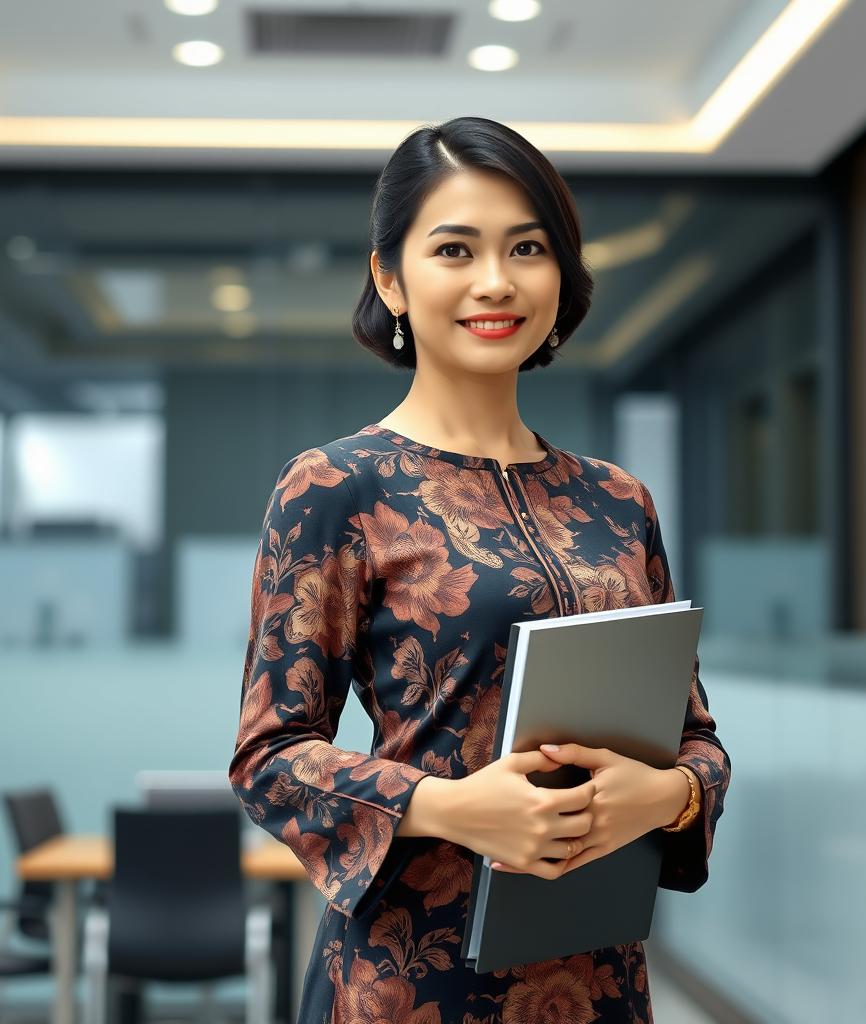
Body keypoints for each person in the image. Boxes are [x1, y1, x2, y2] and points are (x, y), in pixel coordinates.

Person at [229, 115, 731, 1023]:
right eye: (455, 249)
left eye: (527, 248)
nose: (496, 281)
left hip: (598, 978)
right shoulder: (336, 485)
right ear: (391, 277)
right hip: (409, 979)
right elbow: (270, 759)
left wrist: (666, 795)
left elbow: (697, 739)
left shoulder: (619, 499)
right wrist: (451, 806)